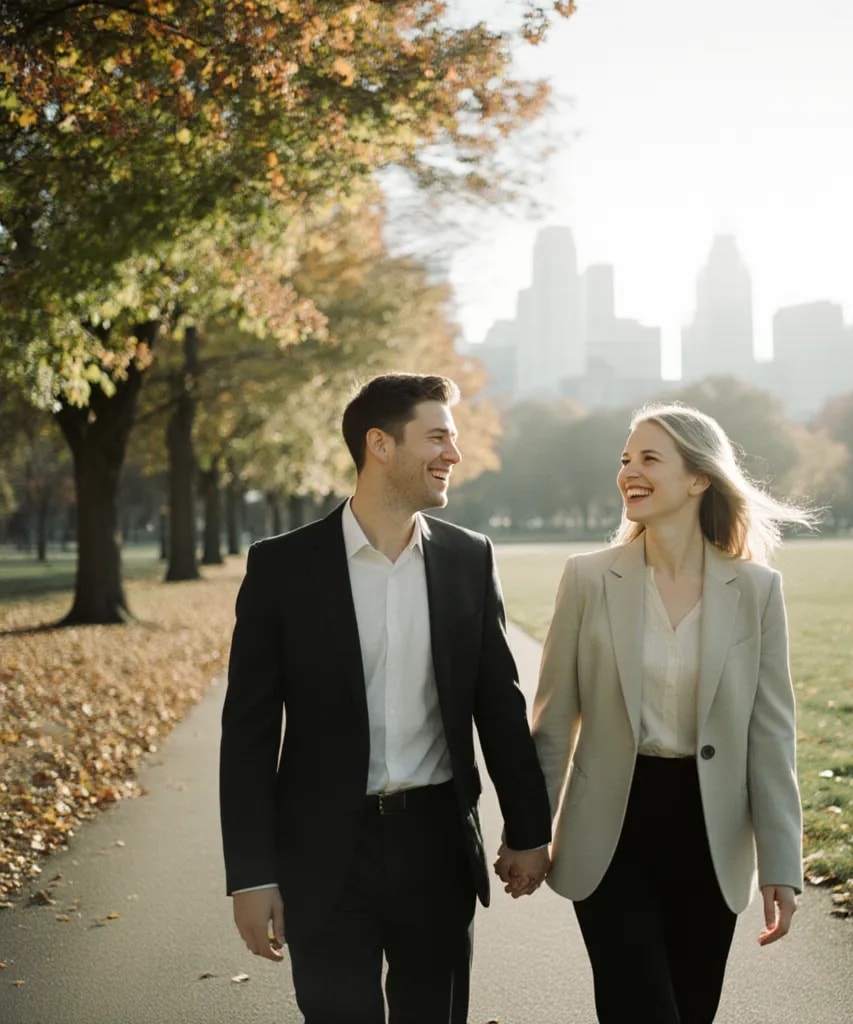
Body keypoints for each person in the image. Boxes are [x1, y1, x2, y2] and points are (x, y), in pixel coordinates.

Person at [219, 372, 551, 1024]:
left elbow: (500, 707)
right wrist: (251, 876)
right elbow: (250, 735)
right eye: (438, 438)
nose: (453, 455)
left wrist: (530, 829)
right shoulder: (282, 568)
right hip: (322, 855)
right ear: (379, 444)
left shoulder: (469, 560)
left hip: (437, 847)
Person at [530, 401, 813, 1024]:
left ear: (699, 477)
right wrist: (529, 834)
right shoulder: (587, 578)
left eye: (649, 458)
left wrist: (781, 865)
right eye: (625, 459)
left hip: (710, 837)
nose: (629, 470)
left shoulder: (757, 591)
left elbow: (771, 735)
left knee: (690, 1010)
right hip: (611, 834)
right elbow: (553, 722)